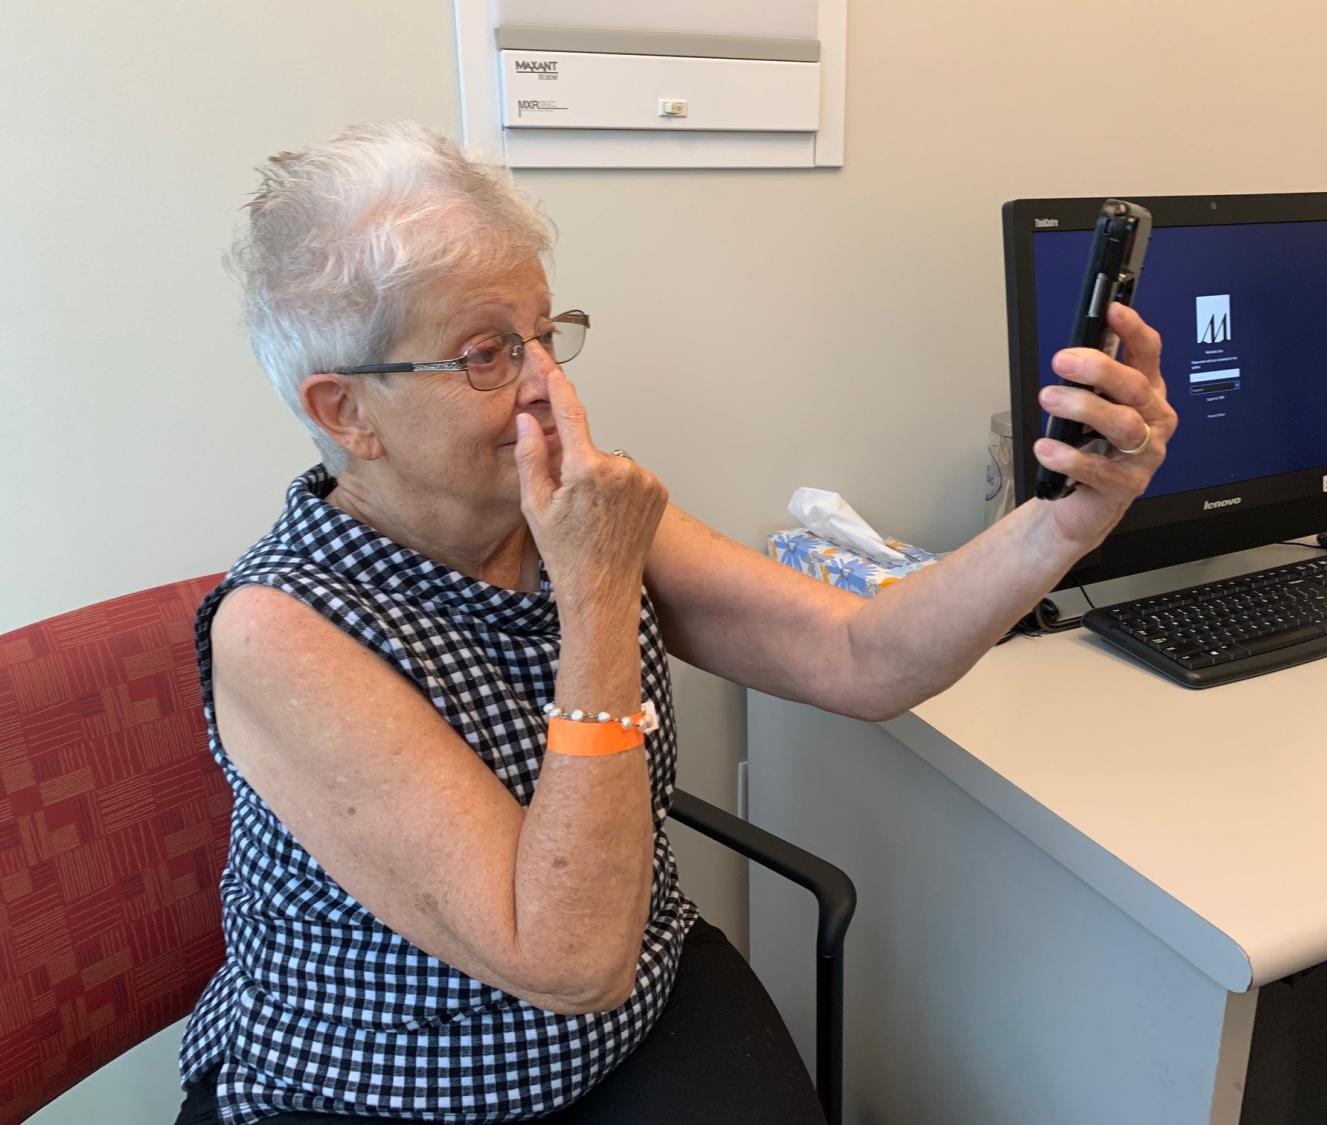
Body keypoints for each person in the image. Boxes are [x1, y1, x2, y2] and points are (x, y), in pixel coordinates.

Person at [174, 121, 1176, 1125]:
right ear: (345, 411)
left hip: (626, 1014)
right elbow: (566, 961)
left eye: (544, 335)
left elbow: (859, 656)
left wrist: (1061, 526)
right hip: (383, 1088)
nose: (549, 387)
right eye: (486, 355)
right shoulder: (281, 632)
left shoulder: (576, 511)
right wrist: (598, 592)